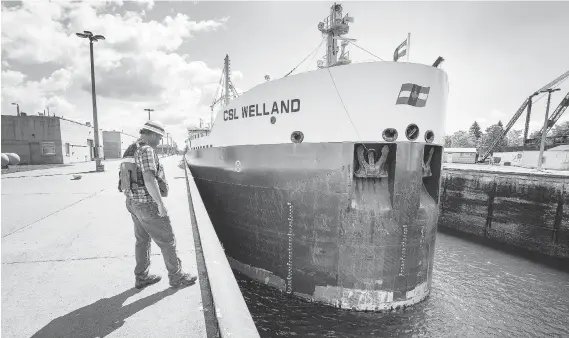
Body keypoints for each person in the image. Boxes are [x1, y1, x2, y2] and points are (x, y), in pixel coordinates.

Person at [119, 120, 197, 289]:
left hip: (132, 202)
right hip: (147, 204)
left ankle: (141, 277)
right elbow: (149, 178)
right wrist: (160, 204)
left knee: (142, 240)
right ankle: (176, 277)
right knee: (167, 240)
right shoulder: (146, 149)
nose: (159, 141)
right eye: (159, 138)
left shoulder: (130, 149)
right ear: (153, 134)